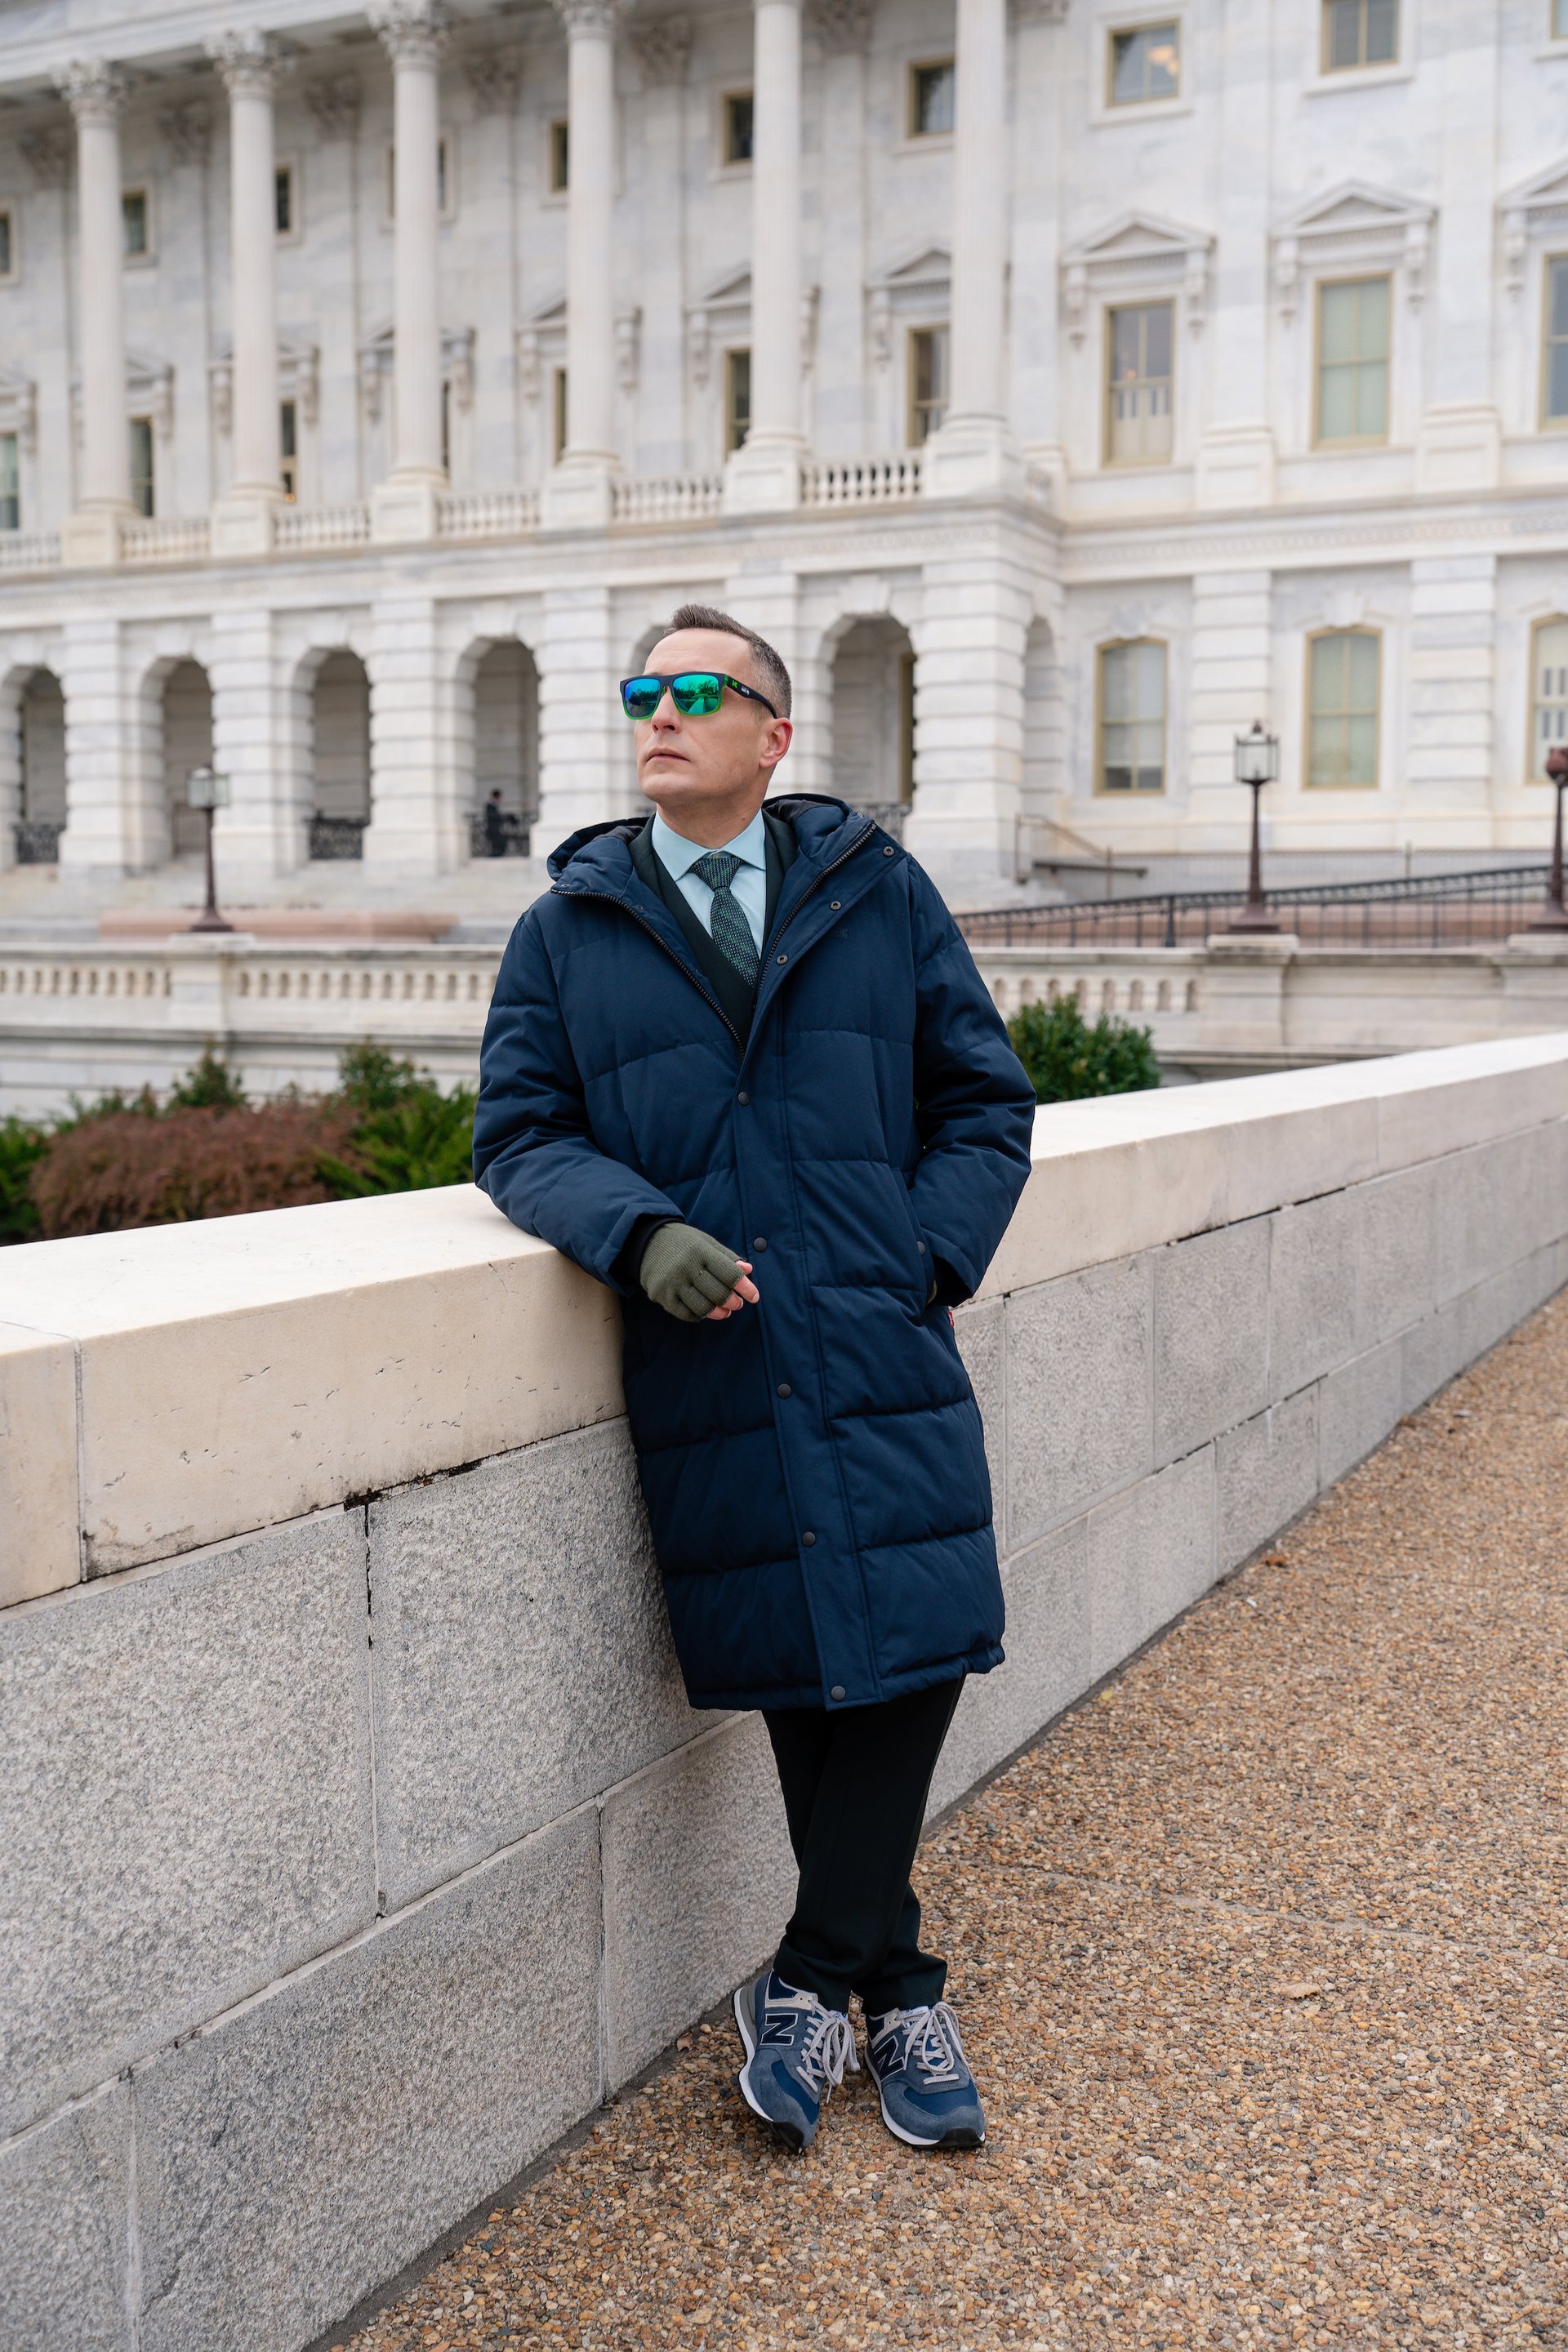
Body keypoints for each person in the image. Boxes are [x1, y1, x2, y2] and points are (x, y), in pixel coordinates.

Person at [473, 604, 1035, 2155]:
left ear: (773, 736)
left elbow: (985, 1103)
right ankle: (898, 1988)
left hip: (876, 1335)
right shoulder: (564, 929)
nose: (657, 713)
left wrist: (924, 1257)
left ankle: (812, 1981)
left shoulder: (876, 889)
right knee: (806, 1664)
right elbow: (519, 1136)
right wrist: (636, 1231)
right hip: (715, 1360)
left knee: (918, 1642)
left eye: (694, 692)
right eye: (641, 691)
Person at [483, 788, 508, 858]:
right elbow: (492, 816)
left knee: (499, 842)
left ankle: (496, 854)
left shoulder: (494, 805)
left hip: (495, 828)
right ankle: (494, 855)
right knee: (497, 842)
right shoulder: (490, 805)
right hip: (492, 828)